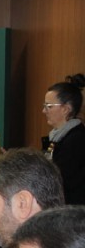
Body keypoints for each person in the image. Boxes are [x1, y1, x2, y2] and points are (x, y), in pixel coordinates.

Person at [41, 73, 85, 205]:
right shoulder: (56, 137)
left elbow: (58, 179)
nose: (44, 111)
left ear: (66, 109)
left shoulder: (77, 140)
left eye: (49, 106)